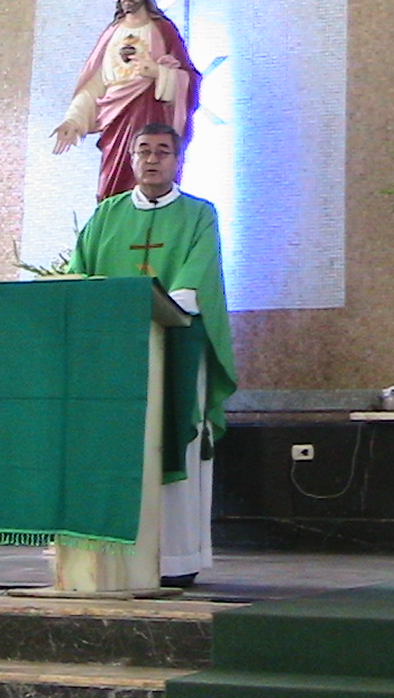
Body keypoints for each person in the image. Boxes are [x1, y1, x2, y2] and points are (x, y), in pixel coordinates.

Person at [67, 123, 235, 583]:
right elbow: (78, 275)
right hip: (113, 355)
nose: (153, 158)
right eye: (144, 150)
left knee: (175, 441)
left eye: (163, 151)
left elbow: (193, 281)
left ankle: (176, 559)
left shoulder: (199, 214)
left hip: (177, 347)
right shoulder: (106, 215)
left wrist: (153, 305)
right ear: (131, 157)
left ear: (177, 160)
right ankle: (115, 554)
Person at [52, 0, 200, 201]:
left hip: (150, 118)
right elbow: (96, 84)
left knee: (148, 179)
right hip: (116, 123)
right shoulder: (113, 33)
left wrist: (158, 73)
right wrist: (74, 119)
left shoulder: (162, 30)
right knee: (110, 188)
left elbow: (189, 79)